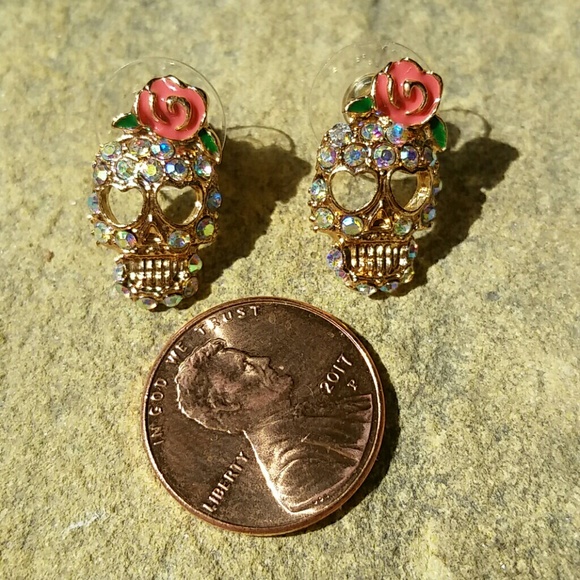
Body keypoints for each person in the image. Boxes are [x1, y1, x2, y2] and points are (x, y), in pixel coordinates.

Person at [176, 339, 373, 514]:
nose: (264, 361)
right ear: (227, 403)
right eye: (246, 366)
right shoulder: (294, 475)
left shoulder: (312, 415)